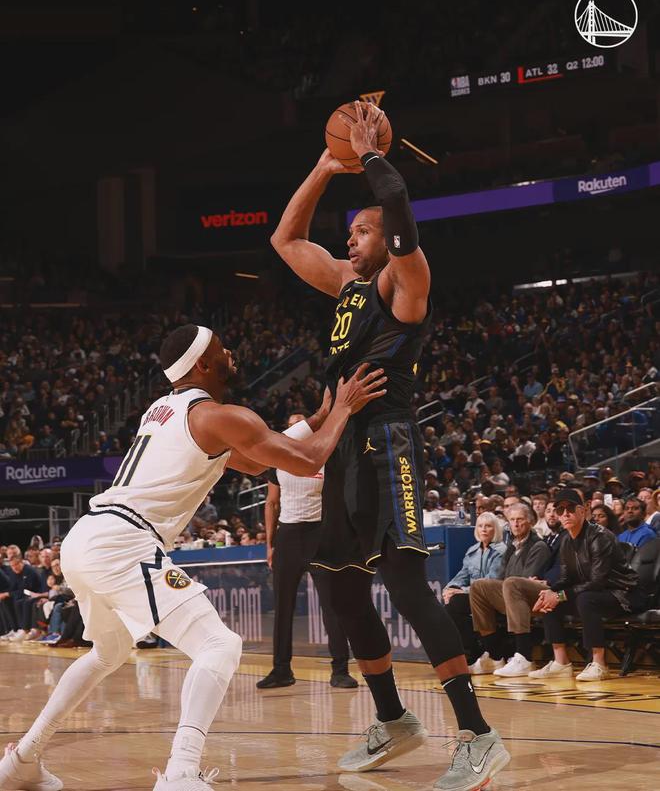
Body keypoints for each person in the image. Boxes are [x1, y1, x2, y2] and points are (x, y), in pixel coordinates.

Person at [0, 324, 385, 791]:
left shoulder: (164, 410)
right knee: (219, 645)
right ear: (203, 363)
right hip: (122, 542)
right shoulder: (217, 416)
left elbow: (255, 460)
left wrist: (321, 416)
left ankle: (23, 760)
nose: (231, 352)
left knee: (108, 652)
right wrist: (342, 409)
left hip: (87, 538)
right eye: (222, 348)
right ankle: (181, 772)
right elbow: (305, 462)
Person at [271, 101, 510, 790]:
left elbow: (400, 209)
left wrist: (372, 153)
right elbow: (286, 240)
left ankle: (478, 734)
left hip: (389, 443)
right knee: (338, 585)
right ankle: (393, 719)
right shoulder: (346, 287)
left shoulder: (406, 281)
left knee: (403, 583)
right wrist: (326, 165)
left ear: (387, 239)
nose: (350, 239)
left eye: (362, 230)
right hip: (346, 446)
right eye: (349, 231)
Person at [258, 407, 357, 690]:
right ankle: (281, 670)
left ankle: (340, 669)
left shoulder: (325, 455)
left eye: (300, 424)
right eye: (291, 425)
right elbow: (271, 503)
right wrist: (270, 544)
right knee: (283, 606)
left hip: (320, 533)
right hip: (288, 535)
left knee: (331, 604)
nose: (295, 430)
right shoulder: (277, 460)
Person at [530, 488, 644, 681]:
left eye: (570, 508)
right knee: (551, 600)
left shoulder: (600, 536)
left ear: (583, 510)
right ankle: (561, 662)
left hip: (623, 593)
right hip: (595, 593)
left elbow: (598, 581)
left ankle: (599, 664)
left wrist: (560, 595)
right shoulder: (566, 540)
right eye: (560, 510)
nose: (565, 514)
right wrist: (550, 594)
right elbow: (565, 579)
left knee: (585, 599)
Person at [468, 503, 552, 676]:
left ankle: (524, 657)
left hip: (535, 599)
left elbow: (527, 581)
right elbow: (500, 578)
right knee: (478, 587)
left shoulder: (538, 546)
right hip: (512, 593)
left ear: (530, 522)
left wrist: (508, 584)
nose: (516, 524)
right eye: (512, 520)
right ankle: (494, 655)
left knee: (512, 583)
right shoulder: (512, 547)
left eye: (520, 519)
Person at [442, 513, 507, 662]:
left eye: (488, 526)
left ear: (495, 529)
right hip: (473, 595)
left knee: (456, 603)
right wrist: (450, 588)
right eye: (480, 526)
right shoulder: (472, 551)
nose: (483, 529)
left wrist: (462, 591)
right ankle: (470, 650)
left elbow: (491, 580)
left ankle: (475, 652)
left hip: (493, 596)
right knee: (451, 604)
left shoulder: (501, 551)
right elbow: (462, 575)